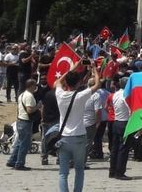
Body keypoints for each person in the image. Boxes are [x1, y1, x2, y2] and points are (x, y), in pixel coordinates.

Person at [56, 61, 101, 192]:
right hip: (79, 136)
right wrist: (94, 69)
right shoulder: (80, 96)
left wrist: (72, 69)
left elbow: (58, 81)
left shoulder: (59, 94)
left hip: (64, 136)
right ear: (78, 83)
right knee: (79, 169)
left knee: (63, 172)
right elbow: (97, 84)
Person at [7, 78, 38, 170]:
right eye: (35, 85)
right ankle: (19, 163)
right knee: (24, 144)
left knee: (19, 142)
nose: (36, 87)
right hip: (26, 122)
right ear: (31, 86)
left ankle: (12, 160)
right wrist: (38, 107)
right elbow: (29, 109)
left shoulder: (22, 94)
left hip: (20, 120)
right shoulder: (29, 96)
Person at [109, 77, 133, 180]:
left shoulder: (116, 94)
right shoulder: (126, 96)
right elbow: (130, 111)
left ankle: (112, 171)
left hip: (117, 121)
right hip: (125, 123)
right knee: (123, 149)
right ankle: (120, 172)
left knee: (115, 148)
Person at [39, 80, 60, 165]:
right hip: (56, 119)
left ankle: (44, 157)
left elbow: (42, 107)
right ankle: (59, 158)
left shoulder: (47, 94)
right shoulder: (60, 95)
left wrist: (42, 117)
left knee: (45, 139)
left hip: (46, 119)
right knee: (58, 139)